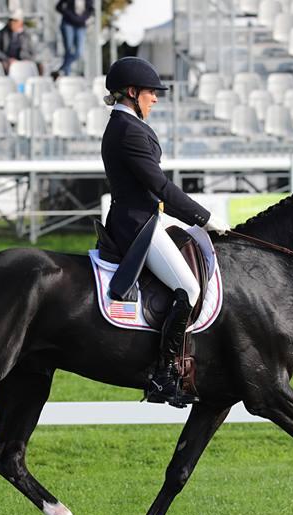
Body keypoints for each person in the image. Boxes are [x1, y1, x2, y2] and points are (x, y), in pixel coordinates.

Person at [100, 57, 230, 407]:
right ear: (132, 92)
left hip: (146, 217)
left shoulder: (129, 126)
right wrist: (203, 217)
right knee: (187, 287)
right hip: (136, 225)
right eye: (150, 93)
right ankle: (164, 374)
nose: (155, 99)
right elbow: (159, 186)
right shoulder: (127, 131)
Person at [0, 9, 41, 74]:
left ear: (20, 22)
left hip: (21, 60)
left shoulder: (26, 35)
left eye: (15, 21)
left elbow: (32, 52)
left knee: (38, 66)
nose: (12, 23)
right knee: (4, 66)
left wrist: (26, 59)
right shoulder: (1, 34)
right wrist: (7, 59)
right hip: (6, 61)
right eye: (11, 21)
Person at [53, 0, 94, 80]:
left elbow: (90, 9)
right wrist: (69, 15)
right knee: (68, 51)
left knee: (79, 52)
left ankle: (61, 69)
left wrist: (82, 18)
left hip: (81, 26)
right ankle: (66, 75)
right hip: (68, 24)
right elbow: (58, 7)